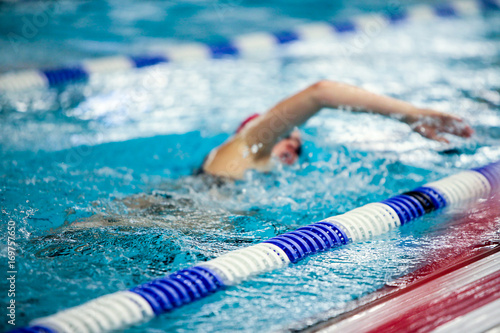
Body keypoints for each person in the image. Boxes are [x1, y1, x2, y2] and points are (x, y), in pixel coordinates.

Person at [201, 80, 473, 180]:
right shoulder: (246, 147)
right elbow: (321, 92)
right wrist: (410, 115)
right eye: (285, 137)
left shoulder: (258, 178)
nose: (292, 148)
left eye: (298, 146)